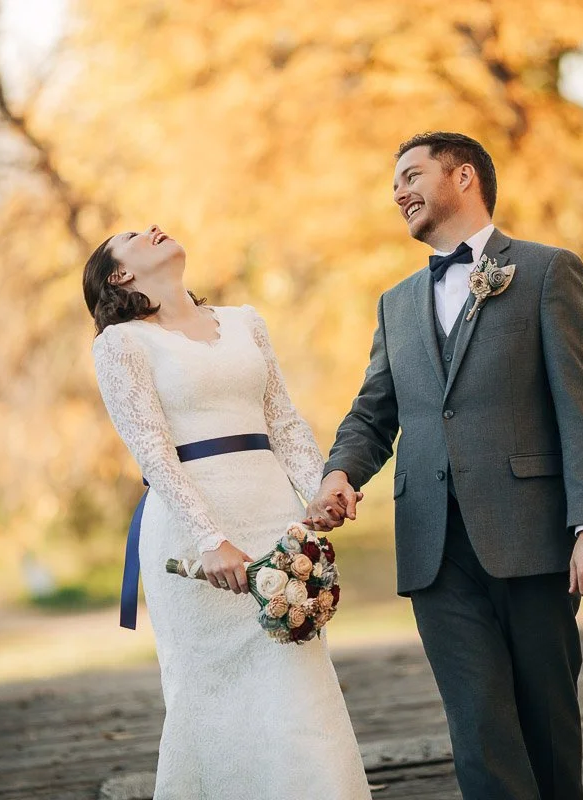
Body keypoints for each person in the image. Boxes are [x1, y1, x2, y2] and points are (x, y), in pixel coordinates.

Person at [307, 132, 583, 800]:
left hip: (531, 537)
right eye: (394, 184)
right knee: (477, 727)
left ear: (465, 176)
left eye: (412, 176)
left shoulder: (546, 272)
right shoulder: (394, 305)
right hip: (433, 547)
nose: (399, 193)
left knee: (547, 726)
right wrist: (340, 472)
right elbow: (373, 411)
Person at [83, 225, 370, 799]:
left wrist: (320, 489)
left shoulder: (246, 322)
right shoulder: (122, 344)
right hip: (195, 531)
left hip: (273, 518)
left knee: (298, 679)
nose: (153, 228)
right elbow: (153, 453)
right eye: (133, 236)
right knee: (208, 695)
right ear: (120, 276)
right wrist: (208, 538)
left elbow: (283, 420)